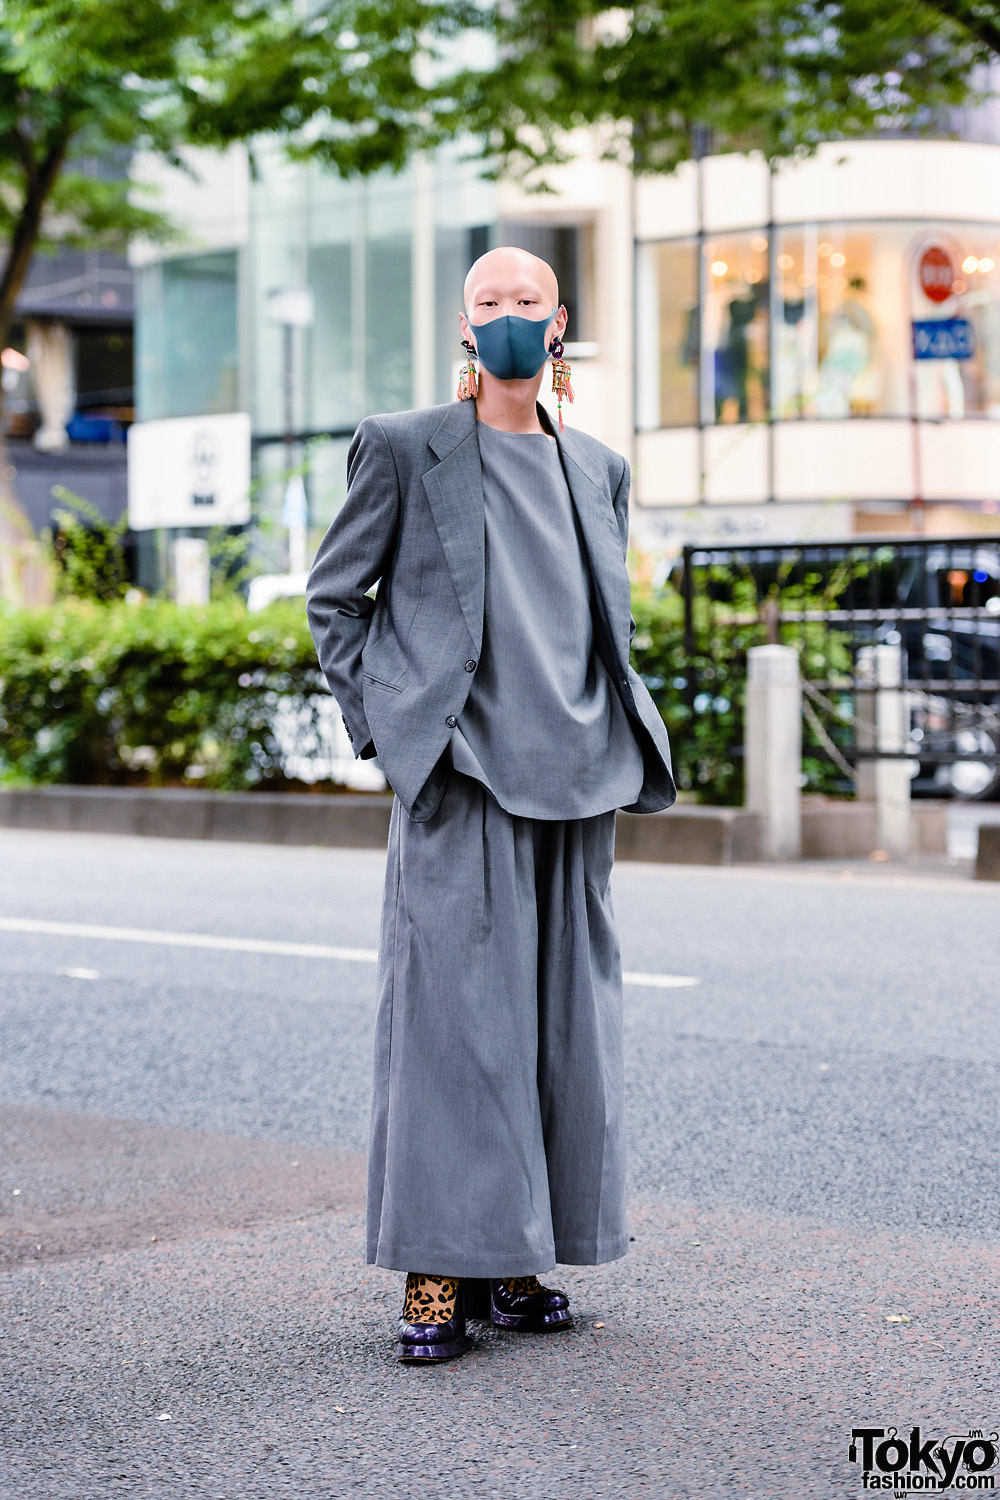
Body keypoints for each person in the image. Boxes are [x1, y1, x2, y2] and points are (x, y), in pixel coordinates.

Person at [306, 246, 676, 1364]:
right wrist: (394, 729)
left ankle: (515, 1258)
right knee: (451, 1033)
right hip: (462, 775)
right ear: (463, 325)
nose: (509, 316)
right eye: (488, 302)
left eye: (527, 301)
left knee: (558, 1034)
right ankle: (433, 1271)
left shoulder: (598, 466)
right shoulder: (408, 446)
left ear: (558, 323)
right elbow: (336, 599)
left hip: (577, 782)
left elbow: (594, 621)